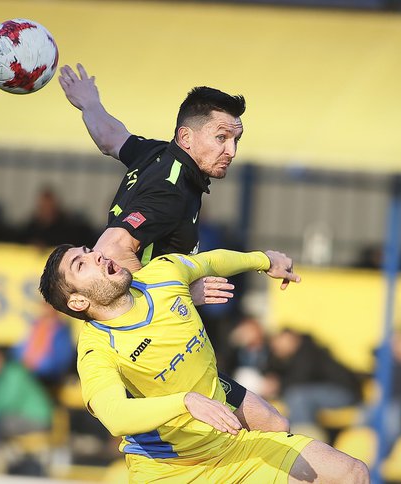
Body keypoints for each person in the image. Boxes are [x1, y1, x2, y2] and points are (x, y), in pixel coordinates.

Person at [59, 64, 286, 433]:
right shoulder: (170, 193)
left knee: (272, 425)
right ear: (186, 137)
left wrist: (89, 104)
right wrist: (170, 291)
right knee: (251, 434)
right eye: (221, 138)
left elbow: (111, 138)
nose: (231, 150)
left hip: (172, 340)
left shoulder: (157, 155)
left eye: (236, 140)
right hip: (152, 350)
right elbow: (111, 247)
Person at [39, 244, 369, 482]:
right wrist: (186, 401)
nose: (95, 254)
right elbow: (114, 416)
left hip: (231, 447)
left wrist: (264, 260)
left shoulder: (163, 275)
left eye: (87, 250)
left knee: (352, 473)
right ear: (78, 301)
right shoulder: (96, 349)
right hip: (171, 470)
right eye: (80, 265)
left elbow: (211, 261)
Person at [262, 328, 362, 440]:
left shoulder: (309, 351)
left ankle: (306, 442)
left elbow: (301, 380)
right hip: (323, 394)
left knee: (298, 397)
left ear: (293, 338)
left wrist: (278, 385)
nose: (279, 347)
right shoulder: (286, 358)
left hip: (344, 392)